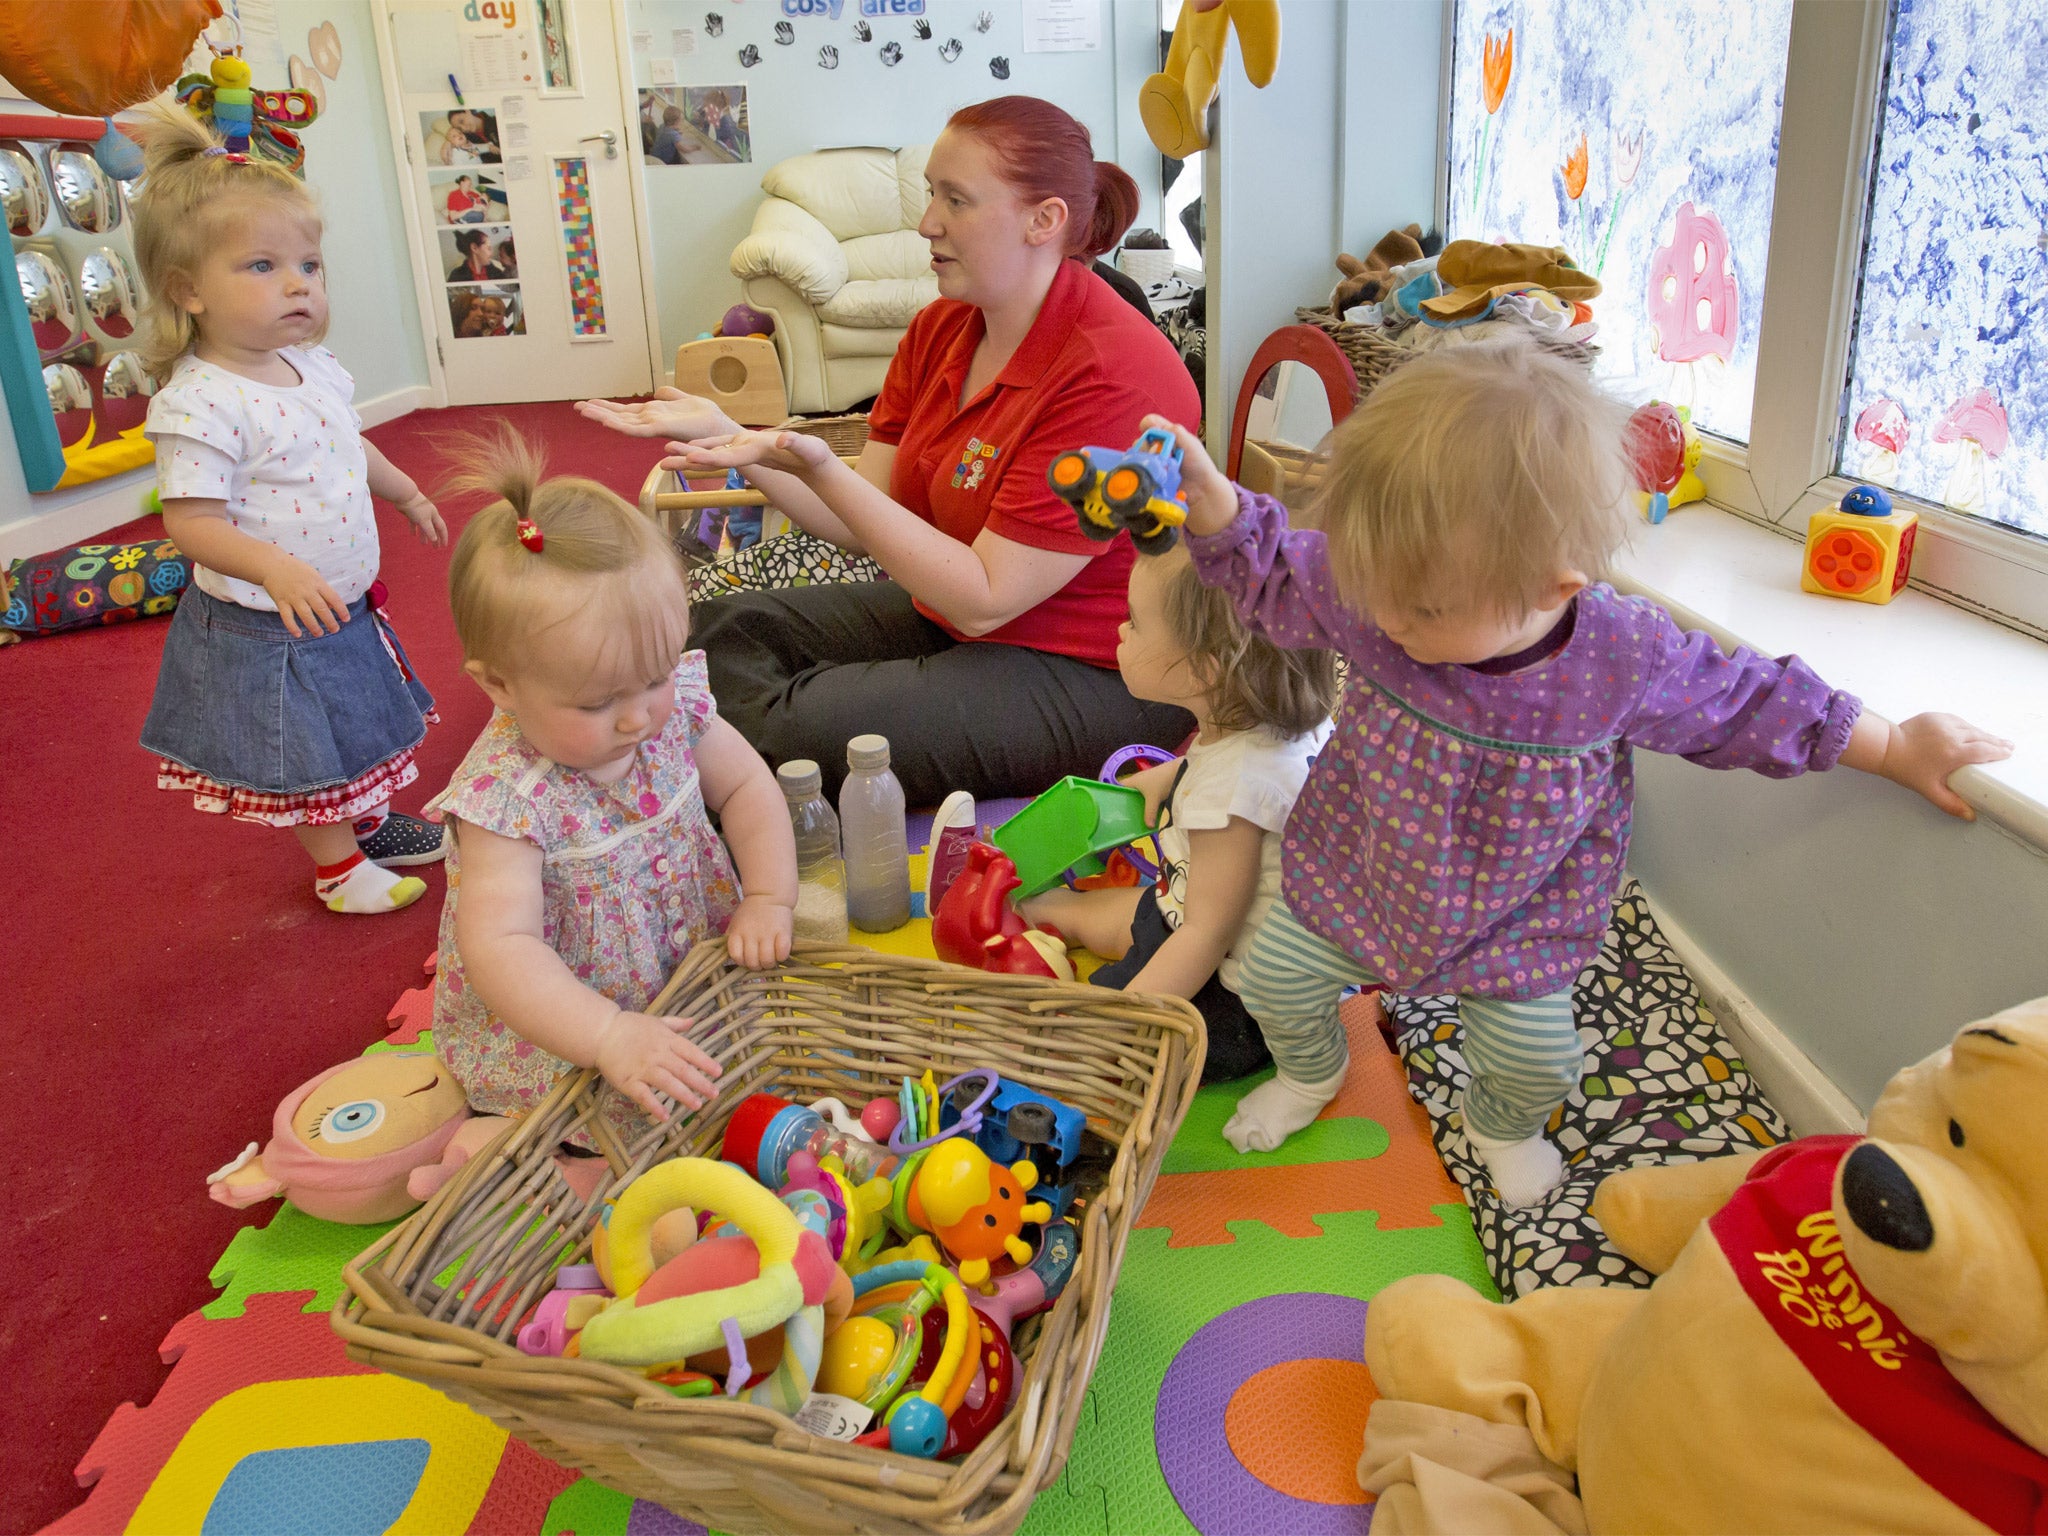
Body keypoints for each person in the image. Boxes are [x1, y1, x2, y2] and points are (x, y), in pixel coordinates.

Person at [1161, 338, 2014, 1204]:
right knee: (1269, 978)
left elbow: (1754, 704)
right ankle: (1311, 1075)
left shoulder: (1624, 657)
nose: (1380, 618)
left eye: (1418, 608)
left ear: (1552, 586)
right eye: (1367, 584)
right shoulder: (1378, 593)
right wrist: (1211, 503)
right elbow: (1270, 571)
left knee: (1538, 1061)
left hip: (1516, 919)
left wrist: (1896, 748)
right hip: (1360, 874)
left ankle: (1500, 1125)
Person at [579, 96, 1200, 807]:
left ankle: (679, 800)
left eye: (956, 200)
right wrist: (733, 441)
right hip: (962, 621)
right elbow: (860, 517)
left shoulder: (1112, 371)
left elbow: (984, 603)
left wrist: (812, 461)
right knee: (718, 636)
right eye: (933, 192)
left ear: (1045, 220)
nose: (927, 221)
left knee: (795, 722)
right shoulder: (943, 327)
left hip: (1102, 671)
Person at [428, 435, 797, 1142]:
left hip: (688, 970)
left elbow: (747, 785)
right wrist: (605, 1035)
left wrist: (769, 896)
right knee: (593, 1141)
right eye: (598, 703)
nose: (639, 716)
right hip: (569, 1025)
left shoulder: (671, 709)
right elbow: (503, 946)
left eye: (655, 677)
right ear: (498, 685)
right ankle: (498, 1146)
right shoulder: (506, 799)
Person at [130, 102, 450, 915]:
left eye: (309, 263)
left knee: (353, 718)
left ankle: (367, 819)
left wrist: (404, 490)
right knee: (308, 746)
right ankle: (338, 870)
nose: (300, 282)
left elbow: (348, 444)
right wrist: (274, 567)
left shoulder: (313, 367)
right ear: (187, 291)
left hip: (336, 601)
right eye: (262, 267)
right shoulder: (201, 401)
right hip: (268, 619)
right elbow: (191, 524)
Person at [1021, 544, 1336, 1083]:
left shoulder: (1230, 799)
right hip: (1201, 910)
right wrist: (1171, 775)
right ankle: (1060, 914)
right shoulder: (1275, 722)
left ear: (1203, 670)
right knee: (1077, 910)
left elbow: (1205, 937)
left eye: (1134, 623)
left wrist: (1120, 1021)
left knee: (1069, 1043)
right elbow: (1235, 770)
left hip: (1232, 1002)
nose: (1121, 632)